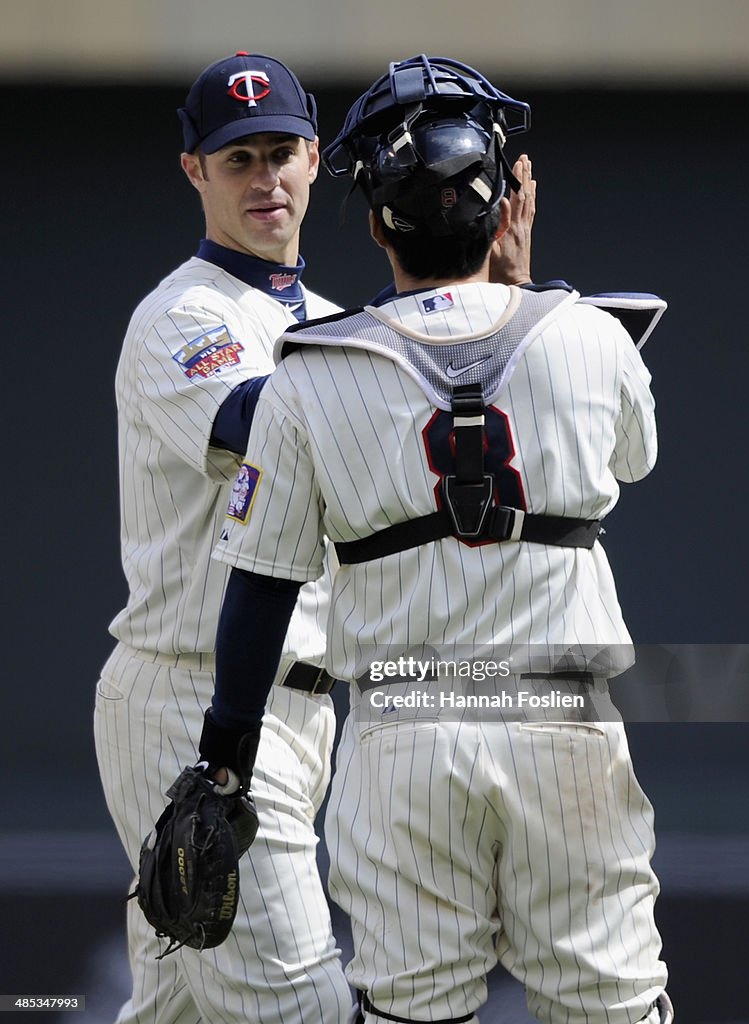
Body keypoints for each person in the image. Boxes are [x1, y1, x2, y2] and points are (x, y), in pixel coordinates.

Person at [198, 54, 674, 1024]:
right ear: (501, 207)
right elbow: (631, 458)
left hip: (404, 731)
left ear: (374, 222)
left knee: (413, 1009)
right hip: (561, 721)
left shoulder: (309, 372)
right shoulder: (588, 334)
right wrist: (524, 284)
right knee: (612, 1008)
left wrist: (222, 763)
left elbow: (260, 590)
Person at [93, 51, 355, 1024]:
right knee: (303, 1008)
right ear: (193, 170)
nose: (263, 178)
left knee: (177, 1008)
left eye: (279, 151)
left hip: (295, 707)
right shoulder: (180, 315)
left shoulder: (335, 325)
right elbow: (261, 421)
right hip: (191, 699)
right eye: (236, 158)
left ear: (315, 158)